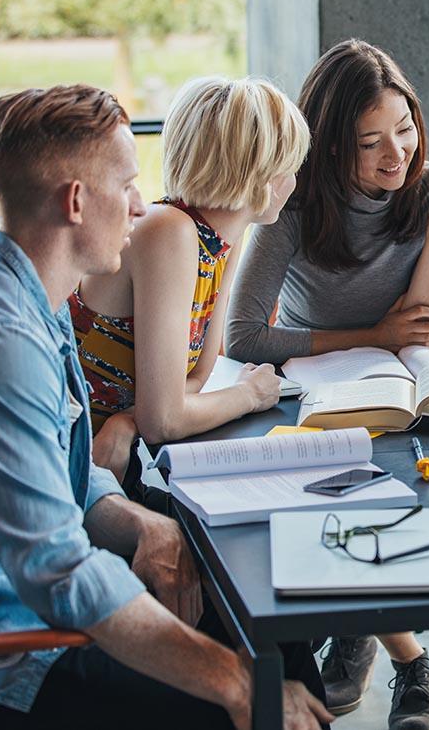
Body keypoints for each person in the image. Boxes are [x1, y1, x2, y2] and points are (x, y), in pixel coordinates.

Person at [0, 85, 332, 730]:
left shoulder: (29, 300)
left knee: (268, 633)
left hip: (34, 611)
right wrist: (234, 682)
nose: (142, 204)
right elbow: (58, 571)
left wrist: (138, 523)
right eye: (128, 184)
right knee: (253, 685)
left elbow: (60, 475)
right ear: (77, 202)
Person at [226, 39, 429, 730]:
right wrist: (375, 335)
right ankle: (409, 656)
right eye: (371, 142)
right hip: (322, 392)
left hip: (404, 389)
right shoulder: (298, 203)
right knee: (334, 486)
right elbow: (243, 335)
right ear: (332, 145)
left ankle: (369, 637)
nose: (396, 154)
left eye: (405, 130)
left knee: (398, 482)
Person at [70, 76, 310, 498]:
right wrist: (248, 395)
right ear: (262, 173)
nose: (294, 179)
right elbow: (164, 418)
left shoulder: (222, 239)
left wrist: (128, 420)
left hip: (113, 455)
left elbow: (199, 373)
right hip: (73, 463)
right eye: (290, 164)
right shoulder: (170, 232)